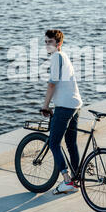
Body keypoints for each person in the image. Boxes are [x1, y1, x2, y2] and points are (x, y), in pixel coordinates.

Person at [41, 29, 83, 194]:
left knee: (54, 143)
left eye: (50, 42)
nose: (47, 45)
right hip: (75, 105)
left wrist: (45, 105)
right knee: (71, 143)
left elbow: (52, 84)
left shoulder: (56, 57)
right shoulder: (64, 56)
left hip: (65, 106)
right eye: (45, 42)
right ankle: (76, 178)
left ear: (58, 44)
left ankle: (67, 181)